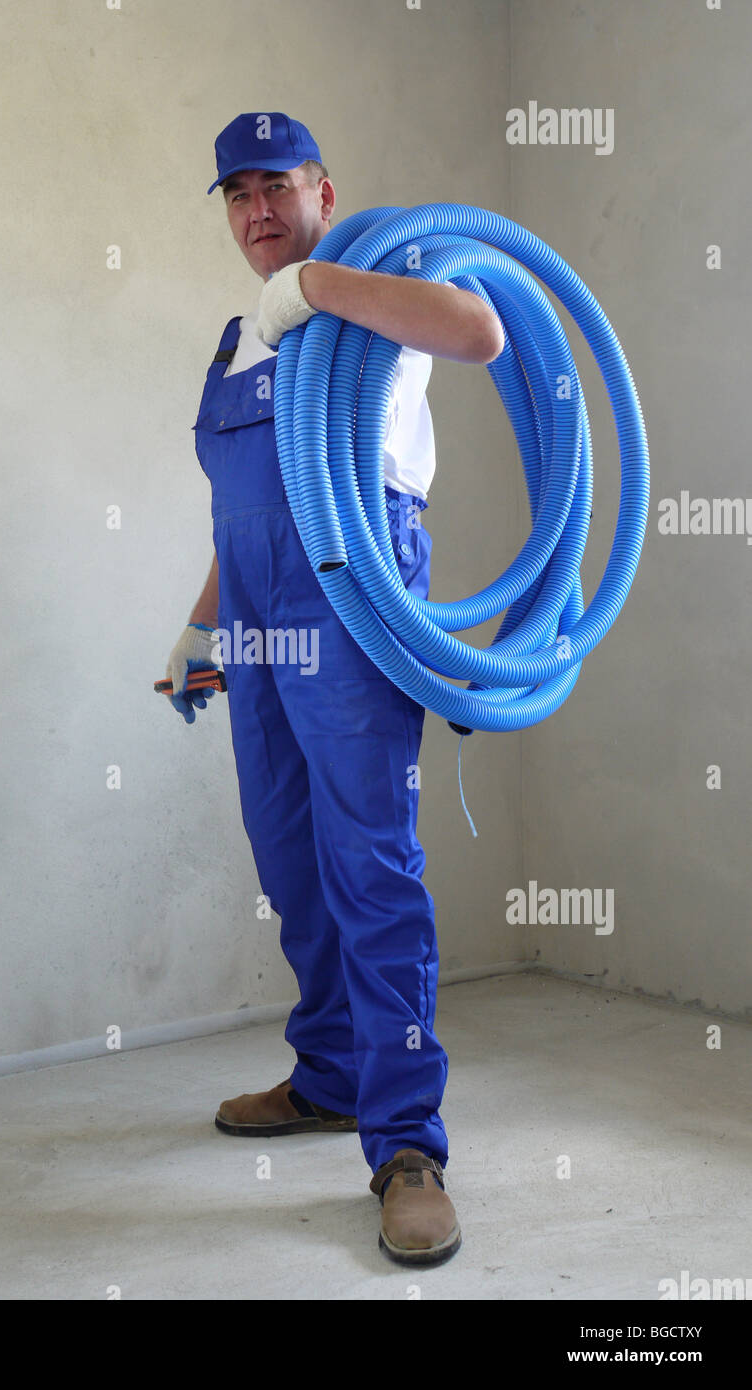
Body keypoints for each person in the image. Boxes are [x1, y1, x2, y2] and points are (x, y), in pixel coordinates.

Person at [165, 112, 504, 1267]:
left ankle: (405, 1143)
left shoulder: (374, 298)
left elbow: (481, 334)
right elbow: (239, 506)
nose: (255, 209)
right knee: (288, 858)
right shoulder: (233, 339)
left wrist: (317, 282)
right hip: (258, 625)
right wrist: (200, 623)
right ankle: (325, 1077)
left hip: (347, 603)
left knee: (369, 865)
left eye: (275, 185)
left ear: (321, 189)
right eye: (235, 194)